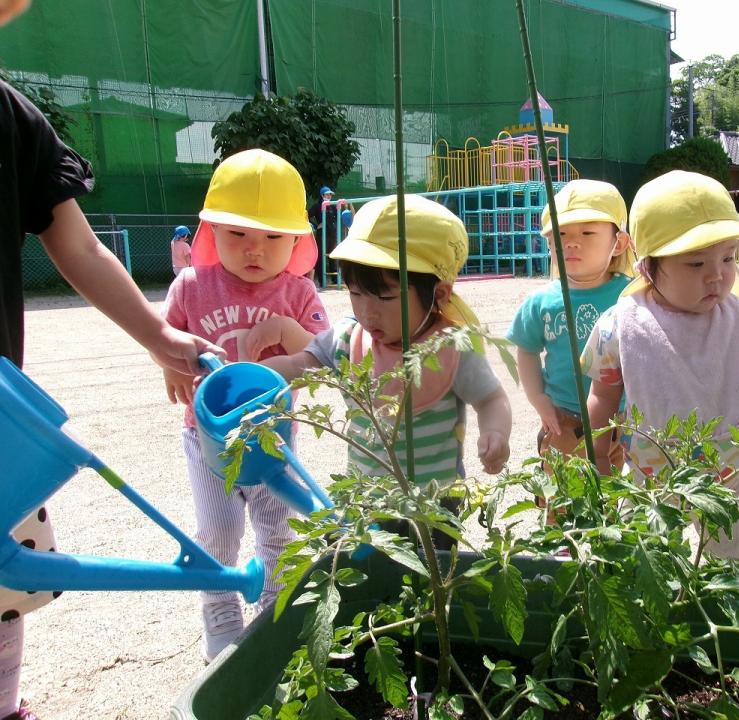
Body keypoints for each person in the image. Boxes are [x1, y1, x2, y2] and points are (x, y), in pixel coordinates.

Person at [0, 17, 222, 720]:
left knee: (7, 582)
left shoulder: (12, 120)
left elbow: (82, 248)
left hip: (4, 420)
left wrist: (161, 336)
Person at [263, 194, 512, 546]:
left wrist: (496, 434)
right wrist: (252, 377)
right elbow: (298, 365)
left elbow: (492, 398)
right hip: (364, 503)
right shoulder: (349, 338)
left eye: (385, 297)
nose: (368, 312)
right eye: (355, 293)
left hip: (433, 508)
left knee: (427, 588)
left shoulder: (451, 348)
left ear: (439, 294)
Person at [160, 149, 330, 662]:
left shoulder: (298, 292)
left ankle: (276, 610)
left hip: (277, 439)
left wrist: (289, 332)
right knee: (218, 530)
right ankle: (220, 609)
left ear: (298, 241)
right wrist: (168, 363)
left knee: (279, 529)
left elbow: (328, 355)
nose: (254, 250)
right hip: (208, 440)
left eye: (272, 237)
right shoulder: (190, 286)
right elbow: (163, 333)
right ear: (211, 232)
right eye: (238, 235)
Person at [582, 170, 739, 560]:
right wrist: (595, 459)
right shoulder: (619, 326)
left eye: (728, 257)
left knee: (736, 565)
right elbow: (602, 398)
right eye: (696, 264)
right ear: (647, 267)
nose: (717, 275)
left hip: (729, 475)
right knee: (645, 561)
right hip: (650, 480)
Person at [507, 180, 636, 499]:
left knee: (607, 498)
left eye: (587, 233)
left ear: (618, 243)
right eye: (561, 235)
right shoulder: (541, 302)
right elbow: (525, 351)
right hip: (564, 419)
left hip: (617, 421)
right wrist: (539, 401)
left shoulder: (631, 295)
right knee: (561, 500)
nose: (572, 244)